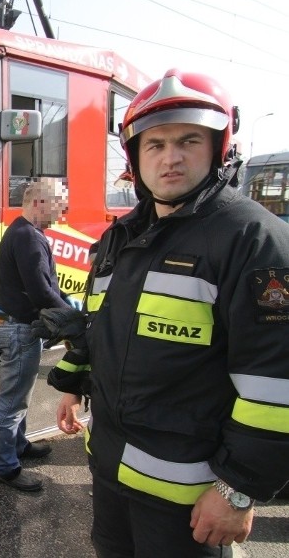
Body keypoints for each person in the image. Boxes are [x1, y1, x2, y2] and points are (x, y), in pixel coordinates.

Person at [47, 69, 289, 556]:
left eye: (188, 141)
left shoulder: (253, 242)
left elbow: (276, 382)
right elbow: (100, 328)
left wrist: (237, 490)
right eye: (153, 145)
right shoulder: (122, 237)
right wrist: (73, 383)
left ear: (219, 147)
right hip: (111, 476)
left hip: (191, 501)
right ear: (136, 158)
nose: (170, 157)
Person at [0, 176, 71, 491]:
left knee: (19, 396)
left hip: (11, 324)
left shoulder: (22, 230)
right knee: (12, 401)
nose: (61, 213)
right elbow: (40, 291)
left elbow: (45, 285)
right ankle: (4, 466)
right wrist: (71, 317)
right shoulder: (29, 237)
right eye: (58, 205)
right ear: (39, 203)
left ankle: (18, 445)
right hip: (18, 328)